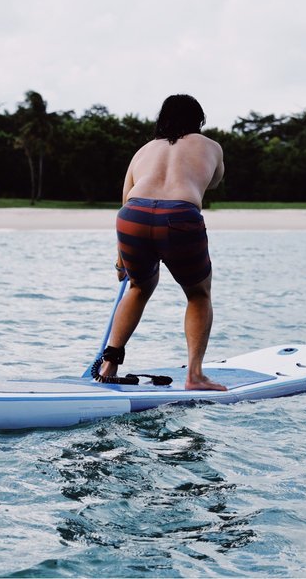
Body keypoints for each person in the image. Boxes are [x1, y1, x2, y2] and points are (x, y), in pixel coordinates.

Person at [96, 94, 227, 391]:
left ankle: (108, 366)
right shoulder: (211, 147)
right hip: (179, 216)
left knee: (139, 286)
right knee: (198, 294)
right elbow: (216, 180)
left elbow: (125, 198)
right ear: (199, 121)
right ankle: (194, 375)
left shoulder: (143, 151)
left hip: (132, 215)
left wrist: (121, 260)